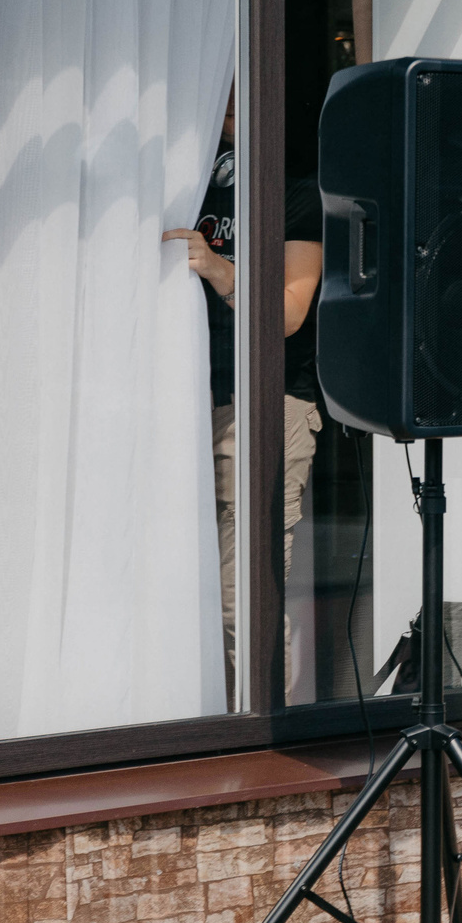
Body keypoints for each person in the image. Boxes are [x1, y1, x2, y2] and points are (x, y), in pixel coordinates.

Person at [164, 101, 324, 688]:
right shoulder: (180, 188)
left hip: (264, 406)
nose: (227, 118)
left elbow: (287, 312)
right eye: (217, 104)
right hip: (181, 400)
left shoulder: (296, 196)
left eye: (238, 104)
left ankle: (263, 743)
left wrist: (217, 268)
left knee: (244, 593)